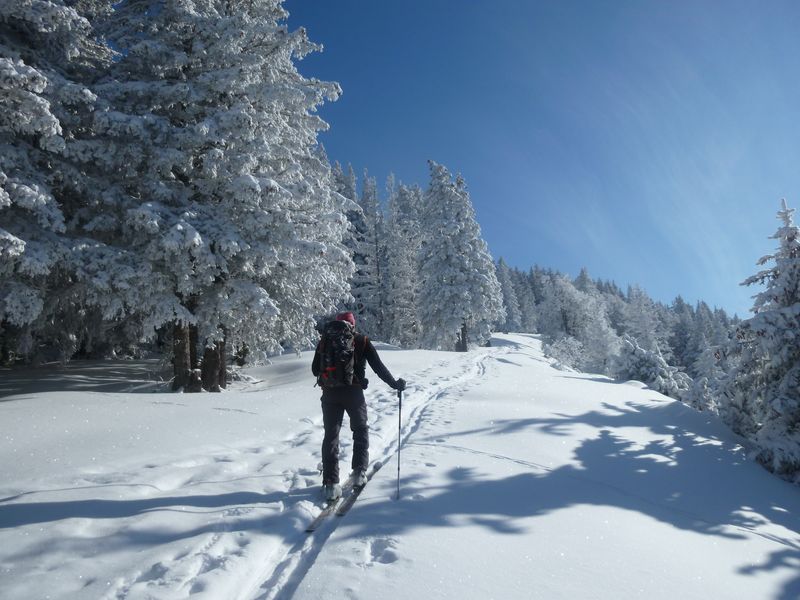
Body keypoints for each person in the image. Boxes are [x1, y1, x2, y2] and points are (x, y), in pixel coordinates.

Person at [312, 311, 406, 500]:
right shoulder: (361, 341)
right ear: (352, 325)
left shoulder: (325, 340)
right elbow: (378, 367)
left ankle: (330, 484)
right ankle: (358, 474)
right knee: (360, 430)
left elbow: (315, 369)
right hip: (354, 394)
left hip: (329, 394)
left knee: (331, 436)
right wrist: (395, 384)